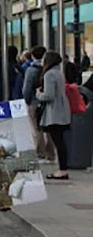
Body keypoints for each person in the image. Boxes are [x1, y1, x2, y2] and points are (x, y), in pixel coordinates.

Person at [36, 52, 71, 180]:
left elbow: (48, 96)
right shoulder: (59, 73)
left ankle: (62, 170)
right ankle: (62, 168)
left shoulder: (49, 74)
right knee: (60, 140)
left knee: (58, 141)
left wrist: (38, 94)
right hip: (62, 109)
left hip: (54, 112)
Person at [22, 46, 55, 162]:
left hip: (34, 101)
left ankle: (39, 152)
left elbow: (27, 87)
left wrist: (26, 100)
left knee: (35, 128)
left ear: (32, 56)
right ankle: (50, 153)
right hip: (47, 102)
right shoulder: (49, 68)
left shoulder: (31, 69)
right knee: (48, 128)